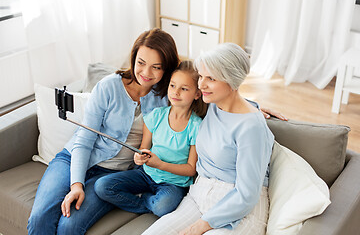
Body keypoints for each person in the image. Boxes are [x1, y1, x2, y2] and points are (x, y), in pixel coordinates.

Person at [27, 28, 180, 235]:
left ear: (166, 69)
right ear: (134, 58)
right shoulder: (108, 87)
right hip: (72, 159)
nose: (145, 73)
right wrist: (76, 184)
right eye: (141, 63)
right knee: (39, 218)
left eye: (156, 67)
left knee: (69, 227)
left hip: (111, 175)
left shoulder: (168, 98)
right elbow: (84, 139)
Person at [143, 43, 275, 235]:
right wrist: (257, 105)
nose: (201, 85)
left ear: (232, 81)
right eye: (201, 76)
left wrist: (201, 226)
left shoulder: (252, 128)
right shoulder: (212, 105)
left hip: (239, 208)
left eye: (210, 78)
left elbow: (247, 195)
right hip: (199, 196)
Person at [94, 60, 207, 217]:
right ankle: (147, 203)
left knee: (162, 207)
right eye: (173, 86)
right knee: (102, 186)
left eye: (184, 89)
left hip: (173, 183)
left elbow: (190, 169)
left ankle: (147, 200)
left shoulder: (196, 126)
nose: (176, 92)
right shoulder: (156, 116)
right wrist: (139, 157)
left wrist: (160, 164)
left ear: (197, 94)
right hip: (146, 174)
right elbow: (142, 149)